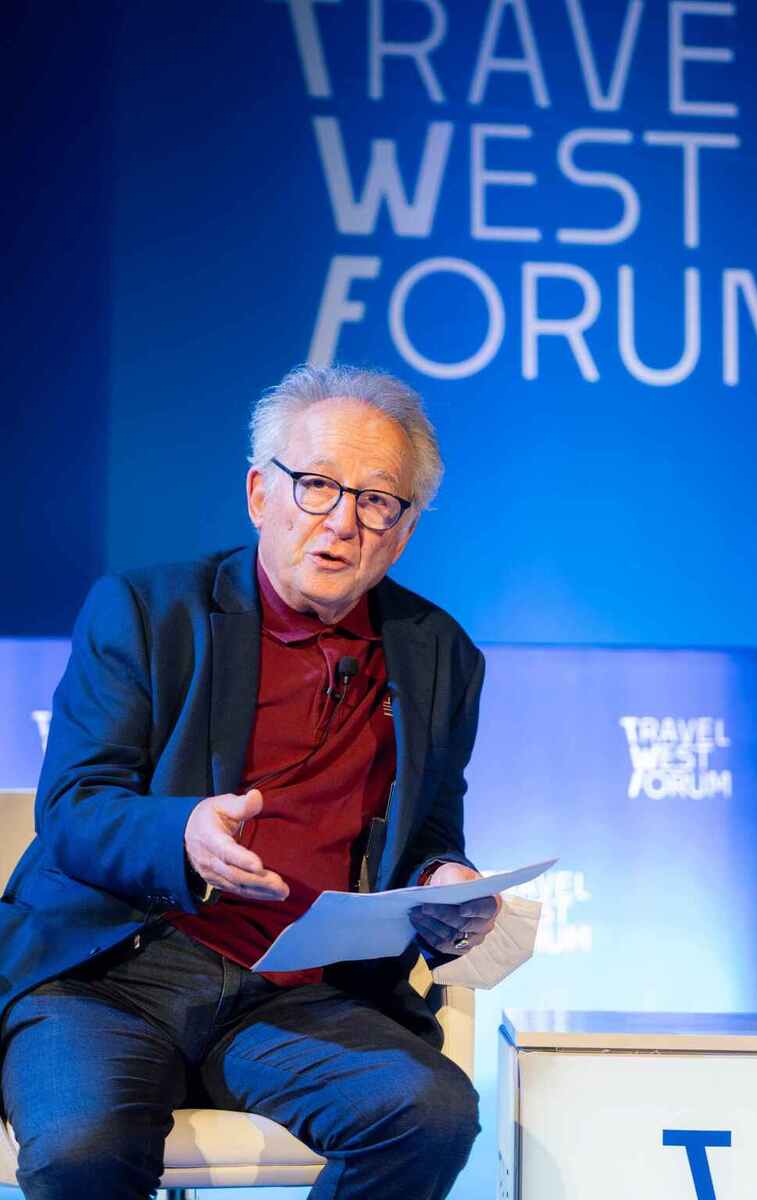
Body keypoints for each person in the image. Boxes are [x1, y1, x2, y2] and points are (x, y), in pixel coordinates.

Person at [0, 364, 498, 1200]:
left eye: (378, 500)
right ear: (261, 494)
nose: (343, 522)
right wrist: (183, 835)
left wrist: (444, 881)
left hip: (295, 996)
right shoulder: (148, 612)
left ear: (406, 529)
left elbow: (429, 831)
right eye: (316, 486)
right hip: (113, 973)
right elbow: (74, 808)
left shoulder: (439, 652)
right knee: (84, 1150)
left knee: (430, 1113)